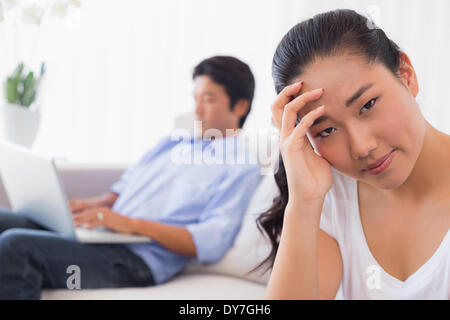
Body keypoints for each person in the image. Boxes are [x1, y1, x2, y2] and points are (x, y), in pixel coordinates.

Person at [0, 55, 262, 299]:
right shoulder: (172, 144)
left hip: (135, 260)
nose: (197, 110)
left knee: (16, 248)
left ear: (240, 105)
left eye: (208, 99)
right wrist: (93, 206)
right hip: (105, 235)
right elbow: (122, 190)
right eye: (195, 98)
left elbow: (210, 243)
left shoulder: (240, 168)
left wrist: (131, 224)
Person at [256, 9, 449, 299]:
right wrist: (304, 202)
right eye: (326, 131)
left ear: (406, 76)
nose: (361, 147)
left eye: (368, 104)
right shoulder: (335, 196)